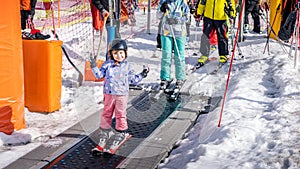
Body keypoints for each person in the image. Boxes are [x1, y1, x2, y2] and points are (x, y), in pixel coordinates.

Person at [89, 39, 149, 148]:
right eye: (115, 53)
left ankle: (121, 132)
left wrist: (142, 74)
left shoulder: (127, 66)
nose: (118, 55)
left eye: (121, 53)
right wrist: (93, 66)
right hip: (109, 94)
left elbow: (133, 80)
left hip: (121, 95)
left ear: (125, 53)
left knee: (120, 113)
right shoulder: (107, 65)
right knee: (106, 112)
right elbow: (98, 75)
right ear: (111, 54)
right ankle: (105, 131)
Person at [157, 0, 190, 90]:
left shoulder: (182, 3)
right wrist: (161, 9)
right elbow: (158, 16)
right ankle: (165, 77)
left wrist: (176, 20)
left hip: (180, 33)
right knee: (166, 55)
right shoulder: (164, 2)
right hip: (166, 32)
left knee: (179, 56)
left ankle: (180, 77)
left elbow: (187, 16)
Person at [195, 0, 236, 68]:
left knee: (222, 36)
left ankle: (223, 55)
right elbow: (202, 1)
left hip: (221, 16)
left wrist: (232, 12)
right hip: (208, 15)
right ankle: (204, 54)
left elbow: (231, 2)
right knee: (205, 35)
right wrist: (199, 12)